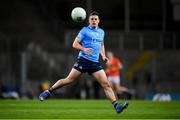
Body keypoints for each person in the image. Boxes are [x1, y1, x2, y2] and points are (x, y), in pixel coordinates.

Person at [39, 11, 128, 113]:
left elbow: (101, 45)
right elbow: (74, 44)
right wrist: (83, 49)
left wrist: (103, 55)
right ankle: (48, 91)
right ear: (89, 21)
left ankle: (117, 106)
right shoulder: (84, 30)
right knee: (69, 80)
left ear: (98, 21)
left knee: (106, 84)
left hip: (95, 63)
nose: (94, 21)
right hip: (83, 61)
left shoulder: (101, 32)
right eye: (92, 19)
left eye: (95, 19)